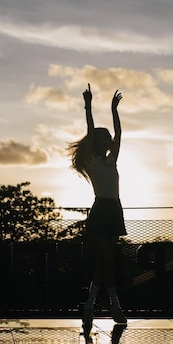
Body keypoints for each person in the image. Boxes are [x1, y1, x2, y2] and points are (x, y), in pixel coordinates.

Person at [68, 83, 127, 324]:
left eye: (107, 136)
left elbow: (120, 134)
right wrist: (89, 106)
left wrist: (114, 110)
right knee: (107, 257)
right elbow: (91, 130)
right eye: (103, 136)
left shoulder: (111, 161)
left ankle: (89, 306)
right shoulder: (92, 161)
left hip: (115, 209)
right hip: (101, 209)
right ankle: (115, 305)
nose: (108, 138)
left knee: (105, 260)